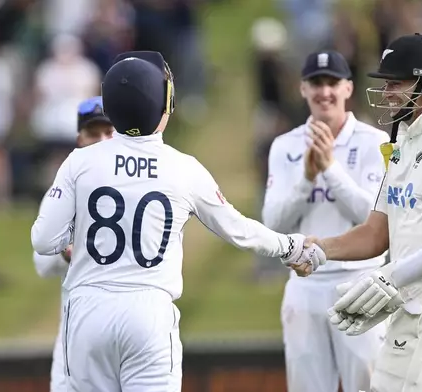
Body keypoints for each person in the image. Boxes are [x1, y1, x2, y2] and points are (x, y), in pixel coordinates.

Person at [30, 51, 326, 392]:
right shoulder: (182, 167)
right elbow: (237, 229)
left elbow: (43, 241)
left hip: (86, 309)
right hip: (149, 311)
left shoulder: (78, 162)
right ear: (165, 103)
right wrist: (291, 247)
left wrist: (75, 236)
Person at [295, 34, 422, 392]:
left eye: (396, 83)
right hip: (417, 300)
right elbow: (376, 233)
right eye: (386, 83)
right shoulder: (402, 142)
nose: (386, 92)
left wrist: (393, 275)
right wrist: (320, 249)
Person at [262, 50, 389, 392]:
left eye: (332, 82)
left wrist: (331, 169)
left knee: (368, 384)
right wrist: (306, 178)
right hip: (304, 285)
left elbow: (374, 219)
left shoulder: (375, 142)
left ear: (348, 88)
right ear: (302, 89)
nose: (324, 92)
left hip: (361, 282)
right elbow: (272, 223)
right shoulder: (284, 146)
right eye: (316, 83)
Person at [32, 95, 114, 392]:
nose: (103, 140)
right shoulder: (64, 187)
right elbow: (41, 261)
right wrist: (66, 255)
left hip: (127, 330)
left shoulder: (141, 186)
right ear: (80, 137)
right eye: (95, 133)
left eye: (109, 132)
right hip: (76, 334)